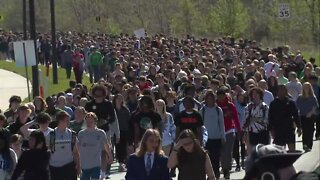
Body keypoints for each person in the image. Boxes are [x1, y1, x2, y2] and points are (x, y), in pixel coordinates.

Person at [78, 112, 113, 180]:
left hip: (96, 164)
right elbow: (77, 149)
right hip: (84, 165)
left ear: (95, 122)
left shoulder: (100, 133)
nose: (89, 123)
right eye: (87, 121)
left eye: (91, 121)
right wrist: (77, 162)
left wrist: (110, 156)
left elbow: (106, 146)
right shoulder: (81, 134)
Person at [216, 86, 241, 179]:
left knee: (228, 151)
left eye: (222, 96)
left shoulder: (231, 105)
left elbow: (236, 119)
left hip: (230, 131)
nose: (221, 98)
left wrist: (239, 131)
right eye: (219, 96)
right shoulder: (215, 105)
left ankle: (227, 170)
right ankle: (224, 168)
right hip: (219, 132)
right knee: (222, 152)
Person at [49, 111, 81, 180]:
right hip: (54, 167)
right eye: (66, 121)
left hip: (69, 166)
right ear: (60, 121)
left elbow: (75, 152)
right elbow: (48, 152)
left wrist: (78, 166)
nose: (69, 122)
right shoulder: (51, 134)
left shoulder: (72, 134)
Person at [269, 85, 301, 151]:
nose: (281, 92)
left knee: (292, 149)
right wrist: (271, 129)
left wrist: (299, 127)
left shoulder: (291, 102)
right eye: (280, 90)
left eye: (283, 90)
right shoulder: (273, 103)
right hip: (278, 129)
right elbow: (270, 117)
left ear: (286, 91)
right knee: (279, 150)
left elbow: (296, 115)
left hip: (289, 128)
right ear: (277, 92)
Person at [200, 90, 225, 178]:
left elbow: (222, 124)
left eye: (211, 98)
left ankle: (216, 175)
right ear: (205, 99)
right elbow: (200, 125)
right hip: (206, 139)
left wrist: (223, 136)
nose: (210, 100)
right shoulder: (202, 110)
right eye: (208, 98)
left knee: (216, 159)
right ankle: (208, 175)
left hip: (217, 138)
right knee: (207, 159)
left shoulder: (218, 110)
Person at [243, 87, 270, 153]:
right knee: (253, 153)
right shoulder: (248, 107)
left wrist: (256, 119)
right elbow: (246, 120)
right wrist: (244, 134)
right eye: (253, 94)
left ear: (260, 95)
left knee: (263, 153)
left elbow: (266, 120)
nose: (255, 95)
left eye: (257, 93)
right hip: (252, 133)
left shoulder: (265, 107)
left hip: (263, 133)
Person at [296, 82, 319, 152]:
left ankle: (309, 145)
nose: (306, 89)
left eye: (307, 87)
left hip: (310, 116)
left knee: (310, 131)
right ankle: (305, 144)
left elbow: (315, 106)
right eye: (305, 87)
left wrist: (311, 112)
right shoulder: (300, 97)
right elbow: (296, 107)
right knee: (305, 131)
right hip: (302, 116)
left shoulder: (313, 97)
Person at [113, 94, 131, 172]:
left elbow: (129, 120)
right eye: (118, 98)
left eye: (121, 99)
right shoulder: (112, 109)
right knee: (117, 147)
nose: (120, 100)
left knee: (123, 147)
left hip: (124, 131)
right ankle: (120, 162)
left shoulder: (125, 109)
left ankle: (122, 163)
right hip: (115, 131)